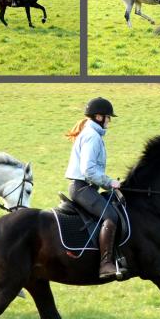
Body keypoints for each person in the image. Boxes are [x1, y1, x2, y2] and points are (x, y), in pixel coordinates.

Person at [65, 97, 127, 280]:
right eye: (108, 117)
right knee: (111, 216)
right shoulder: (92, 137)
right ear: (99, 117)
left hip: (85, 187)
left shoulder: (92, 133)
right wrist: (110, 183)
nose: (110, 121)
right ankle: (105, 264)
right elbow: (88, 170)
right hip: (82, 188)